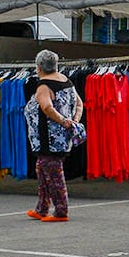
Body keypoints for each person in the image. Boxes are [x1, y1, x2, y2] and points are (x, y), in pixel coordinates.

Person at [27, 50, 83, 223]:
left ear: (39, 67)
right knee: (42, 169)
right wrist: (73, 120)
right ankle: (42, 208)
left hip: (49, 139)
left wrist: (63, 121)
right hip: (60, 138)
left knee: (54, 173)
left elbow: (46, 107)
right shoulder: (68, 81)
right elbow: (79, 103)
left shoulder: (44, 85)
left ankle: (61, 211)